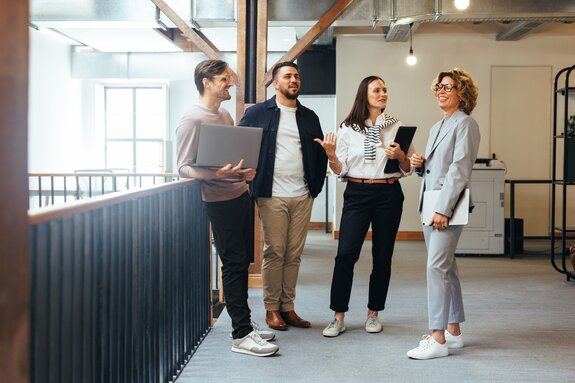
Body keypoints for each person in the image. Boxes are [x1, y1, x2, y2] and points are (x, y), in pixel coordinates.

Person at [176, 59, 278, 357]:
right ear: (206, 82)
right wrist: (215, 175)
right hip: (218, 201)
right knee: (232, 264)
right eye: (223, 79)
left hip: (239, 194)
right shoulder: (192, 119)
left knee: (241, 263)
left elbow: (233, 158)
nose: (229, 83)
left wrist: (242, 174)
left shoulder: (223, 115)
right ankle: (241, 334)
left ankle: (244, 323)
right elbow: (182, 167)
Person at [314, 75, 414, 337]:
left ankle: (373, 313)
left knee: (383, 256)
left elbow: (407, 169)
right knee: (345, 254)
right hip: (357, 192)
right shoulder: (347, 128)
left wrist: (402, 156)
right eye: (377, 90)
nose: (383, 94)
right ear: (364, 95)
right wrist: (331, 155)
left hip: (389, 194)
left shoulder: (397, 127)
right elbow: (340, 170)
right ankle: (338, 316)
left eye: (385, 89)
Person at [239, 61, 328, 330]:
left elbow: (320, 152)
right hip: (272, 194)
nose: (294, 80)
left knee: (294, 254)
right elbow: (239, 146)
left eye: (297, 76)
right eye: (287, 76)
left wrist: (314, 186)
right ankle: (271, 309)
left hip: (302, 195)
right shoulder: (257, 113)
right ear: (275, 83)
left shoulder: (309, 116)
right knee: (274, 252)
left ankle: (288, 307)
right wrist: (245, 175)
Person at [406, 68, 480, 360]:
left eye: (448, 87)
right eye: (439, 86)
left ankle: (437, 337)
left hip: (445, 207)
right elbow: (437, 169)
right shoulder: (439, 126)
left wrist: (442, 209)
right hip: (431, 203)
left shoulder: (466, 124)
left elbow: (459, 170)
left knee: (436, 268)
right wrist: (420, 164)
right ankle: (454, 332)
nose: (441, 90)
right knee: (447, 267)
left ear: (462, 94)